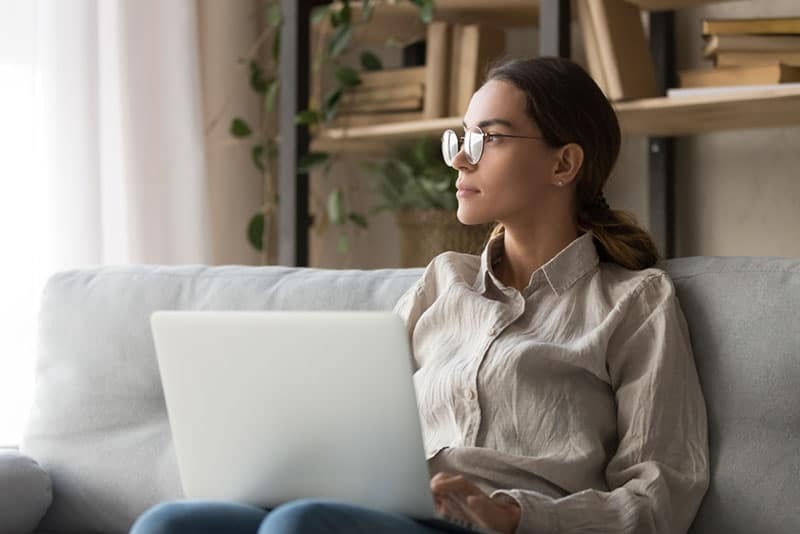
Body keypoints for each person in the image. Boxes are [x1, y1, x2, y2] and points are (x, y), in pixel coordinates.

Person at [131, 56, 709, 534]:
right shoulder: (442, 282)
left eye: (489, 139)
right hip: (394, 511)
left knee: (301, 526)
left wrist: (512, 514)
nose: (460, 157)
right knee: (171, 524)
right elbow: (354, 423)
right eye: (461, 137)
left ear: (564, 162)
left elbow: (661, 496)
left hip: (497, 529)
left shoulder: (634, 301)